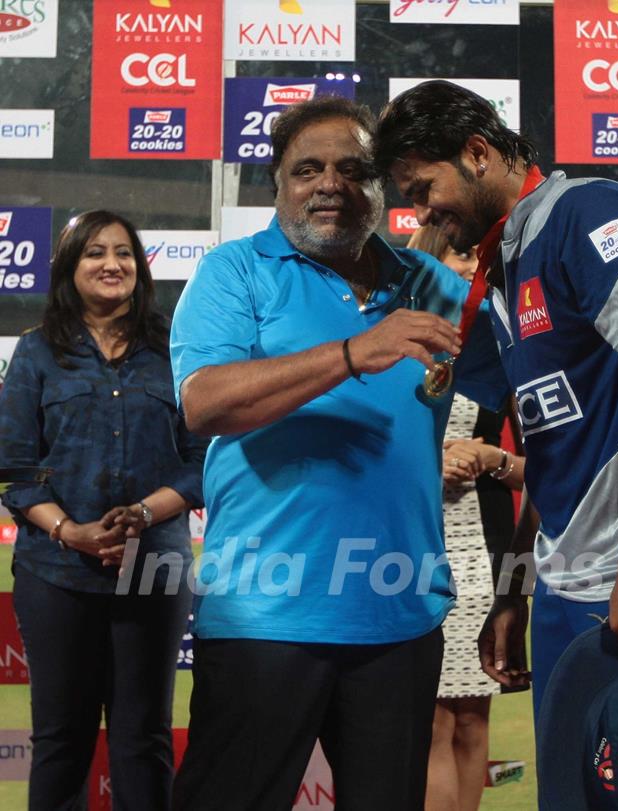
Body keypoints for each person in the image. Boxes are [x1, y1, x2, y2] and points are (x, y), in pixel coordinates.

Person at [169, 96, 506, 811]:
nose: (331, 184)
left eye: (354, 169)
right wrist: (355, 352)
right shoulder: (234, 272)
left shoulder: (440, 290)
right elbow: (204, 402)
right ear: (277, 186)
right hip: (265, 615)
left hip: (400, 617)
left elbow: (540, 376)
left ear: (384, 187)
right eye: (308, 169)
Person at [374, 80, 618, 729]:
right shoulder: (506, 263)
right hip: (566, 592)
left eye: (423, 190)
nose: (424, 214)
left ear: (477, 152)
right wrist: (515, 587)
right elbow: (552, 447)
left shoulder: (584, 211)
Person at [0, 210, 207, 811]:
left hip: (154, 569)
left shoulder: (176, 349)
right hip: (55, 573)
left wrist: (143, 513)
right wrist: (72, 532)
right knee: (61, 738)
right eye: (95, 253)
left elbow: (201, 461)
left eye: (123, 253)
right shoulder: (38, 354)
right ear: (70, 269)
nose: (111, 264)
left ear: (141, 269)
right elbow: (14, 469)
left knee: (143, 738)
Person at [407, 224, 524, 811]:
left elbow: (543, 468)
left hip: (482, 553)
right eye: (457, 253)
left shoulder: (505, 348)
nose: (467, 267)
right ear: (427, 256)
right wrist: (429, 464)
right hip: (406, 552)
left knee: (474, 721)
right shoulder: (390, 345)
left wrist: (492, 457)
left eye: (478, 258)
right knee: (427, 724)